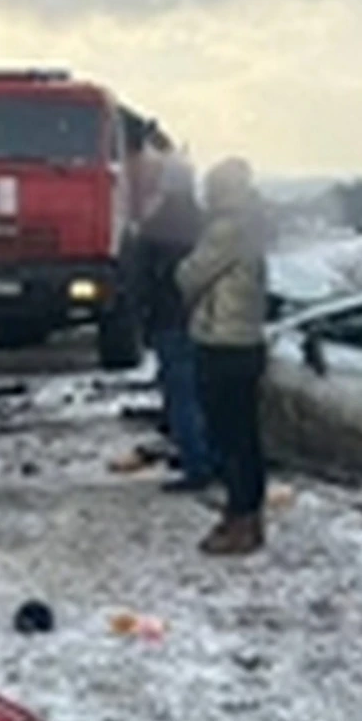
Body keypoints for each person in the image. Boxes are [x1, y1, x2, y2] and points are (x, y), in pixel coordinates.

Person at [177, 158, 271, 557]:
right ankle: (248, 516)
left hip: (223, 343)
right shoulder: (254, 225)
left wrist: (183, 264)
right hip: (246, 341)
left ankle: (240, 520)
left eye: (213, 188)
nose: (208, 196)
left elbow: (189, 276)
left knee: (230, 438)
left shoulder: (226, 230)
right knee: (245, 438)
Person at [134, 152, 215, 492]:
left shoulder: (154, 226)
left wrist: (144, 323)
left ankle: (196, 466)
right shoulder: (207, 223)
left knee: (181, 397)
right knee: (208, 395)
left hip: (171, 322)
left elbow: (139, 281)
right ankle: (214, 459)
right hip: (209, 322)